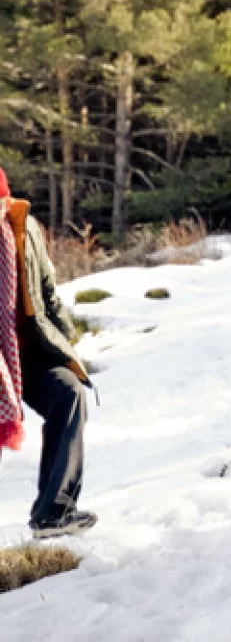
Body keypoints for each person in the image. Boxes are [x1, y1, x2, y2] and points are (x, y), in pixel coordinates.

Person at [0, 168, 97, 538]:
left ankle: (54, 512)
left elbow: (47, 291)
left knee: (68, 393)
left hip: (28, 351)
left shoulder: (26, 231)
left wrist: (65, 340)